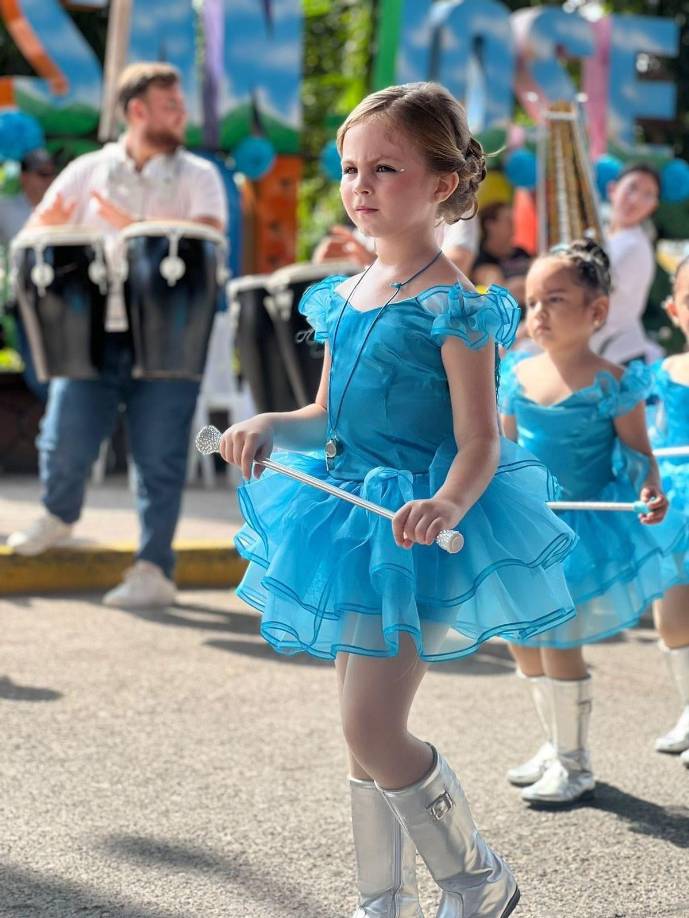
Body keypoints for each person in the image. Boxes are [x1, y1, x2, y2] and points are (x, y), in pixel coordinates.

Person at [218, 82, 579, 917]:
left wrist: (449, 503)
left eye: (386, 167)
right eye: (351, 168)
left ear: (444, 183)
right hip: (347, 522)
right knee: (357, 722)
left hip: (411, 530)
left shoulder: (454, 304)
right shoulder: (347, 292)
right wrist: (268, 424)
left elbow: (480, 437)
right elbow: (323, 417)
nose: (361, 186)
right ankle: (383, 896)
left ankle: (476, 880)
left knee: (372, 727)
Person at [6, 62, 227, 609]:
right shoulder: (87, 170)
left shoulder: (199, 173)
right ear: (137, 111)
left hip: (169, 334)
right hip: (93, 332)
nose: (181, 116)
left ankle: (155, 568)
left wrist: (127, 225)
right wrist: (49, 226)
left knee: (161, 454)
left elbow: (211, 240)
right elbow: (37, 235)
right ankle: (58, 515)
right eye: (170, 106)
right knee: (65, 433)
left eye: (181, 107)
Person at [499, 239, 685, 809]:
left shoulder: (613, 382)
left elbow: (638, 455)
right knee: (520, 640)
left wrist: (649, 489)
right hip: (526, 526)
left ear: (596, 312)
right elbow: (503, 451)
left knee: (558, 639)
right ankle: (555, 743)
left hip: (581, 531)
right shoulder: (516, 373)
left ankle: (576, 764)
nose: (539, 313)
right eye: (532, 301)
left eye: (555, 300)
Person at [649, 255, 689, 768]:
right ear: (674, 309)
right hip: (676, 504)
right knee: (672, 618)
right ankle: (686, 707)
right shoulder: (662, 372)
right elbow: (652, 440)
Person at [590, 163, 663, 364]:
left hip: (618, 356)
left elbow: (589, 291)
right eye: (632, 188)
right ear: (612, 189)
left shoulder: (635, 247)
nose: (636, 200)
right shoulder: (600, 234)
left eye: (648, 195)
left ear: (653, 206)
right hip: (596, 351)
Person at [0, 149, 57, 398]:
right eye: (41, 174)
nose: (48, 181)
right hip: (26, 300)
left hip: (63, 300)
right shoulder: (5, 209)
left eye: (52, 175)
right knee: (37, 375)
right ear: (24, 177)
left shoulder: (63, 208)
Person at [472, 202, 531, 305]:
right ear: (490, 225)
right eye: (508, 220)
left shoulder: (522, 252)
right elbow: (499, 292)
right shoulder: (481, 259)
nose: (513, 224)